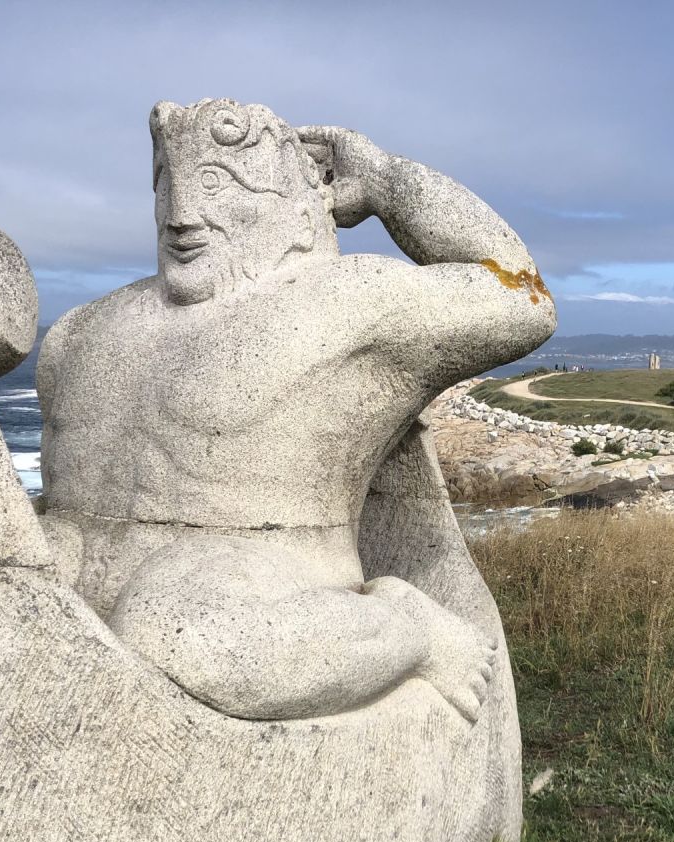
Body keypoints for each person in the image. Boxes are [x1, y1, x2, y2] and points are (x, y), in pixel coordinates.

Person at [37, 100, 555, 720]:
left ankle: (404, 624)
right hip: (84, 575)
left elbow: (519, 294)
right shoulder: (80, 330)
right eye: (167, 183)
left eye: (216, 184)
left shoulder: (347, 300)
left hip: (249, 592)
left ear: (292, 194)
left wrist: (385, 181)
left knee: (172, 627)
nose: (181, 217)